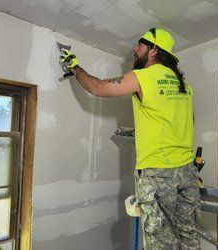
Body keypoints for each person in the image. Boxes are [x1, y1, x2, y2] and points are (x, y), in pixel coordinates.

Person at [60, 28, 201, 250]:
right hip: (187, 172)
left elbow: (97, 88)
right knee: (188, 236)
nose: (134, 49)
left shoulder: (143, 77)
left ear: (154, 50)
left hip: (158, 173)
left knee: (160, 242)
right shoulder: (185, 85)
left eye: (140, 45)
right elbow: (183, 122)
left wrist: (74, 67)